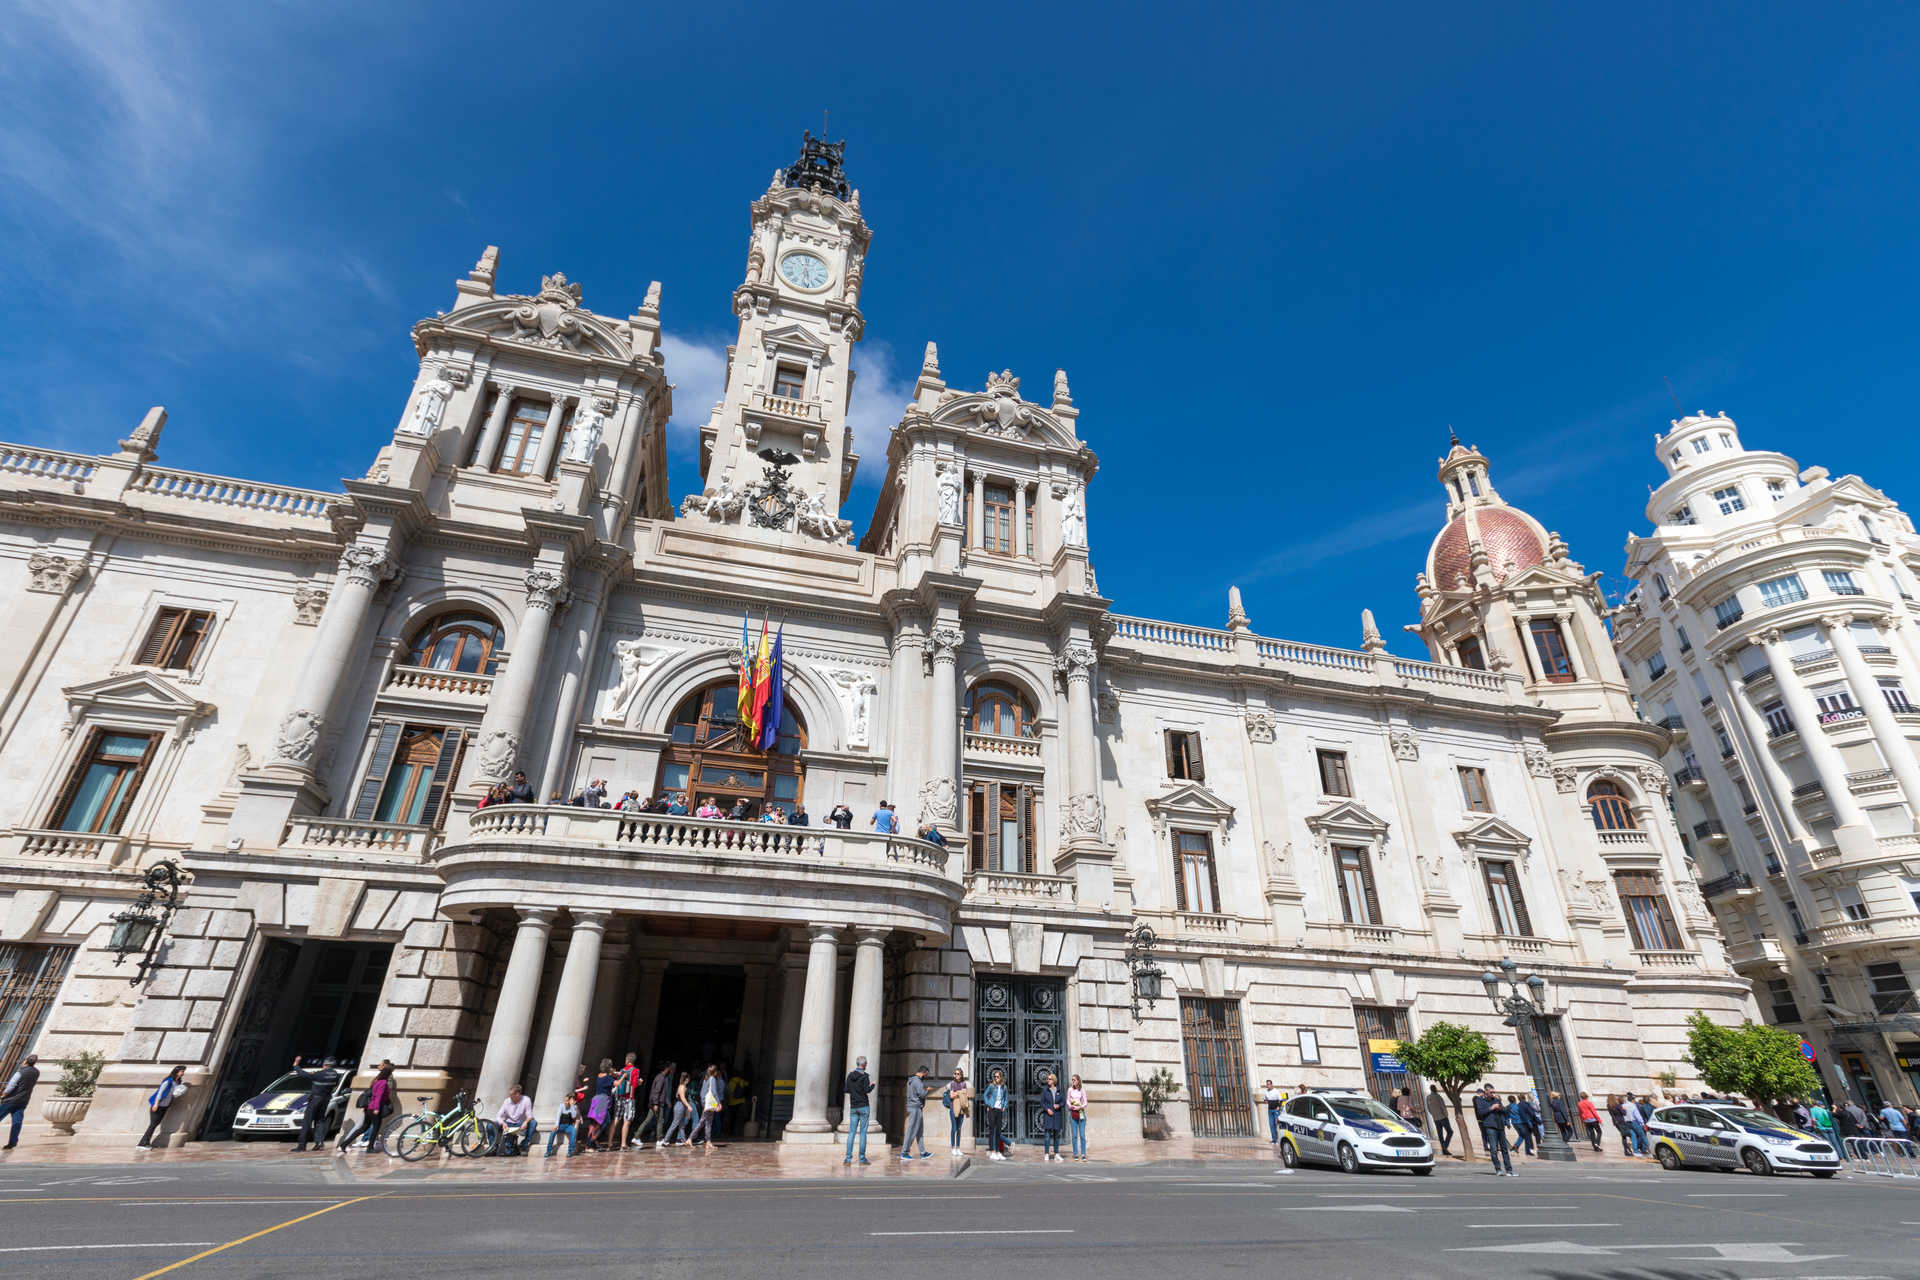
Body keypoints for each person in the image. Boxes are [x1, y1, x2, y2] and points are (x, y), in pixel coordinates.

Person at [336, 1060, 393, 1153]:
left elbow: (372, 1095)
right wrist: (376, 1109)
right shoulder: (383, 1083)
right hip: (375, 1109)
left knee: (363, 1128)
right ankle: (370, 1148)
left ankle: (344, 1144)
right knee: (375, 1128)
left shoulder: (377, 1081)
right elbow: (378, 1097)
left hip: (369, 1108)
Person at [139, 1066, 188, 1149]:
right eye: (181, 1071)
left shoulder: (178, 1082)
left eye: (183, 1071)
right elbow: (160, 1092)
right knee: (153, 1124)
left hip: (165, 1106)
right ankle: (142, 1143)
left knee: (155, 1124)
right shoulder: (168, 1081)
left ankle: (145, 1142)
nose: (183, 1073)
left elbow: (174, 1093)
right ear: (176, 1071)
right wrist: (155, 1104)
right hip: (158, 1105)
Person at [291, 1064, 335, 1152]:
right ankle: (319, 1143)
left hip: (316, 1099)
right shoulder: (335, 1075)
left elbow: (305, 1075)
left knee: (307, 1121)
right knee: (320, 1120)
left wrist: (296, 1066)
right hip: (326, 1099)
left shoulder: (320, 1074)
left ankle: (302, 1146)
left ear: (324, 1064)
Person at [0, 1054, 39, 1149]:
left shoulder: (20, 1072)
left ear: (25, 1062)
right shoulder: (36, 1072)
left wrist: (3, 1094)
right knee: (17, 1122)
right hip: (23, 1101)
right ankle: (12, 1142)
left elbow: (11, 1086)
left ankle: (12, 1142)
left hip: (10, 1100)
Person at [633, 1060, 675, 1148]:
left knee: (648, 1120)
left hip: (655, 1103)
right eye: (670, 1068)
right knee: (659, 1121)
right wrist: (656, 1103)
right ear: (667, 1068)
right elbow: (657, 1091)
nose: (672, 1070)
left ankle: (637, 1136)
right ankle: (659, 1139)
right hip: (658, 1103)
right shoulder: (661, 1078)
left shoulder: (659, 1076)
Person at [1474, 1084, 1514, 1176]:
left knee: (1504, 1149)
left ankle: (1509, 1170)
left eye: (1494, 1092)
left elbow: (1504, 1111)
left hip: (1500, 1126)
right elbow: (1480, 1112)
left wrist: (1501, 1108)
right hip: (1490, 1126)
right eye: (1491, 1092)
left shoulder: (1496, 1100)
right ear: (1486, 1092)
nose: (1493, 1093)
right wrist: (1491, 1108)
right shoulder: (1480, 1100)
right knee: (1494, 1149)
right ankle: (1498, 1169)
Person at [843, 1055, 873, 1165]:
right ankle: (861, 1158)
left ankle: (848, 1158)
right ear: (864, 1065)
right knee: (863, 1133)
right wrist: (872, 1086)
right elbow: (867, 1090)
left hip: (853, 1106)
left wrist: (854, 1090)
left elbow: (846, 1089)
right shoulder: (865, 1077)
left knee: (851, 1132)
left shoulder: (850, 1075)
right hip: (864, 1106)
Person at [688, 1064, 724, 1149]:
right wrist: (719, 1103)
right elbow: (714, 1092)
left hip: (705, 1103)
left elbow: (701, 1093)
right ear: (715, 1072)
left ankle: (707, 1141)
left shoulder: (706, 1079)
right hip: (709, 1104)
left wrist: (703, 1102)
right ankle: (691, 1138)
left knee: (706, 1122)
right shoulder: (712, 1079)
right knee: (704, 1122)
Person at [496, 1084, 537, 1156]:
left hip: (520, 1123)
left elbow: (529, 1115)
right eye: (510, 1094)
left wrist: (525, 1122)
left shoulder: (526, 1100)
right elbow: (498, 1116)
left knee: (533, 1123)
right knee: (490, 1126)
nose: (510, 1096)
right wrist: (503, 1123)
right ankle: (493, 1147)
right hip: (508, 1123)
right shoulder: (507, 1101)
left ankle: (524, 1145)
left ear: (518, 1094)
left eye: (511, 1095)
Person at [901, 1065, 932, 1159]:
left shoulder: (911, 1080)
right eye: (926, 1074)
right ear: (924, 1072)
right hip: (915, 1108)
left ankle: (923, 1153)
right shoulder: (917, 1081)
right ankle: (904, 1152)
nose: (926, 1076)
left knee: (919, 1131)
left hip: (914, 1107)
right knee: (911, 1131)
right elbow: (922, 1094)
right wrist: (927, 1090)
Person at [611, 1052, 640, 1149]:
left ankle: (609, 1142)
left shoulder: (622, 1070)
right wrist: (639, 1082)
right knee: (627, 1120)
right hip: (629, 1098)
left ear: (627, 1060)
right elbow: (634, 1084)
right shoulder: (635, 1070)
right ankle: (623, 1144)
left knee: (616, 1119)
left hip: (620, 1097)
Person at [982, 1068, 1010, 1160]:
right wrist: (989, 1104)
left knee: (998, 1131)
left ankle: (998, 1152)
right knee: (992, 1131)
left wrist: (1004, 1107)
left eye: (998, 1076)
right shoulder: (991, 1086)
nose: (996, 1078)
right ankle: (993, 1151)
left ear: (1001, 1077)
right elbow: (985, 1095)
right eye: (995, 1076)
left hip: (999, 1110)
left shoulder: (1004, 1087)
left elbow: (1006, 1098)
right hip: (992, 1109)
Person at [662, 1071, 695, 1146]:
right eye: (688, 1079)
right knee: (675, 1123)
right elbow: (682, 1098)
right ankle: (665, 1140)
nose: (689, 1080)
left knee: (681, 1125)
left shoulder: (682, 1086)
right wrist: (688, 1106)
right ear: (686, 1079)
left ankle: (683, 1140)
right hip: (680, 1106)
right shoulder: (682, 1087)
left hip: (681, 1106)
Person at [943, 1068, 971, 1157]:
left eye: (958, 1073)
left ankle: (958, 1148)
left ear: (961, 1074)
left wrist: (957, 1093)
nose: (956, 1075)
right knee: (954, 1128)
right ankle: (953, 1148)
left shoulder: (964, 1084)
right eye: (955, 1073)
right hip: (953, 1108)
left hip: (962, 1108)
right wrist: (960, 1093)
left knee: (959, 1128)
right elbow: (951, 1095)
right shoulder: (952, 1083)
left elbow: (966, 1094)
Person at [1039, 1071, 1065, 1161]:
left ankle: (1056, 1153)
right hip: (1048, 1115)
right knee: (1047, 1136)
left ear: (1053, 1080)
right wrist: (1047, 1109)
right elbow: (1042, 1103)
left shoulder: (1059, 1090)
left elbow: (1063, 1102)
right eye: (1048, 1079)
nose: (1048, 1080)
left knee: (1056, 1136)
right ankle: (1046, 1153)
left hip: (1057, 1115)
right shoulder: (1045, 1091)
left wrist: (1058, 1105)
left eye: (1049, 1079)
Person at [1425, 1084, 1454, 1156]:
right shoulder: (1438, 1097)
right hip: (1442, 1117)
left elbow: (1428, 1108)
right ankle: (1445, 1146)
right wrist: (1446, 1115)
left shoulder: (1428, 1097)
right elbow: (1443, 1106)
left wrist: (1433, 1114)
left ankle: (1444, 1149)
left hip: (1435, 1118)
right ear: (1435, 1089)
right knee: (1450, 1132)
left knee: (1440, 1134)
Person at [1067, 1074, 1089, 1161]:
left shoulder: (1082, 1090)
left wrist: (1080, 1107)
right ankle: (1075, 1153)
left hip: (1080, 1113)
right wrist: (1070, 1106)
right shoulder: (1070, 1090)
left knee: (1082, 1135)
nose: (1073, 1081)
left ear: (1078, 1081)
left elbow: (1086, 1102)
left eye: (1074, 1080)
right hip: (1073, 1113)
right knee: (1074, 1135)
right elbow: (1067, 1100)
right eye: (1072, 1080)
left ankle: (1083, 1153)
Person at [1263, 1079, 1284, 1145]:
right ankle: (1274, 1140)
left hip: (1276, 1109)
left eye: (1269, 1084)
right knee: (1271, 1125)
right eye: (1267, 1084)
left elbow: (1280, 1100)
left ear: (1272, 1084)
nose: (1268, 1085)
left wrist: (1278, 1107)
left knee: (1277, 1125)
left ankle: (1279, 1139)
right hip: (1270, 1110)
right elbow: (1266, 1099)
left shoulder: (1276, 1091)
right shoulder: (1266, 1092)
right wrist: (1265, 1101)